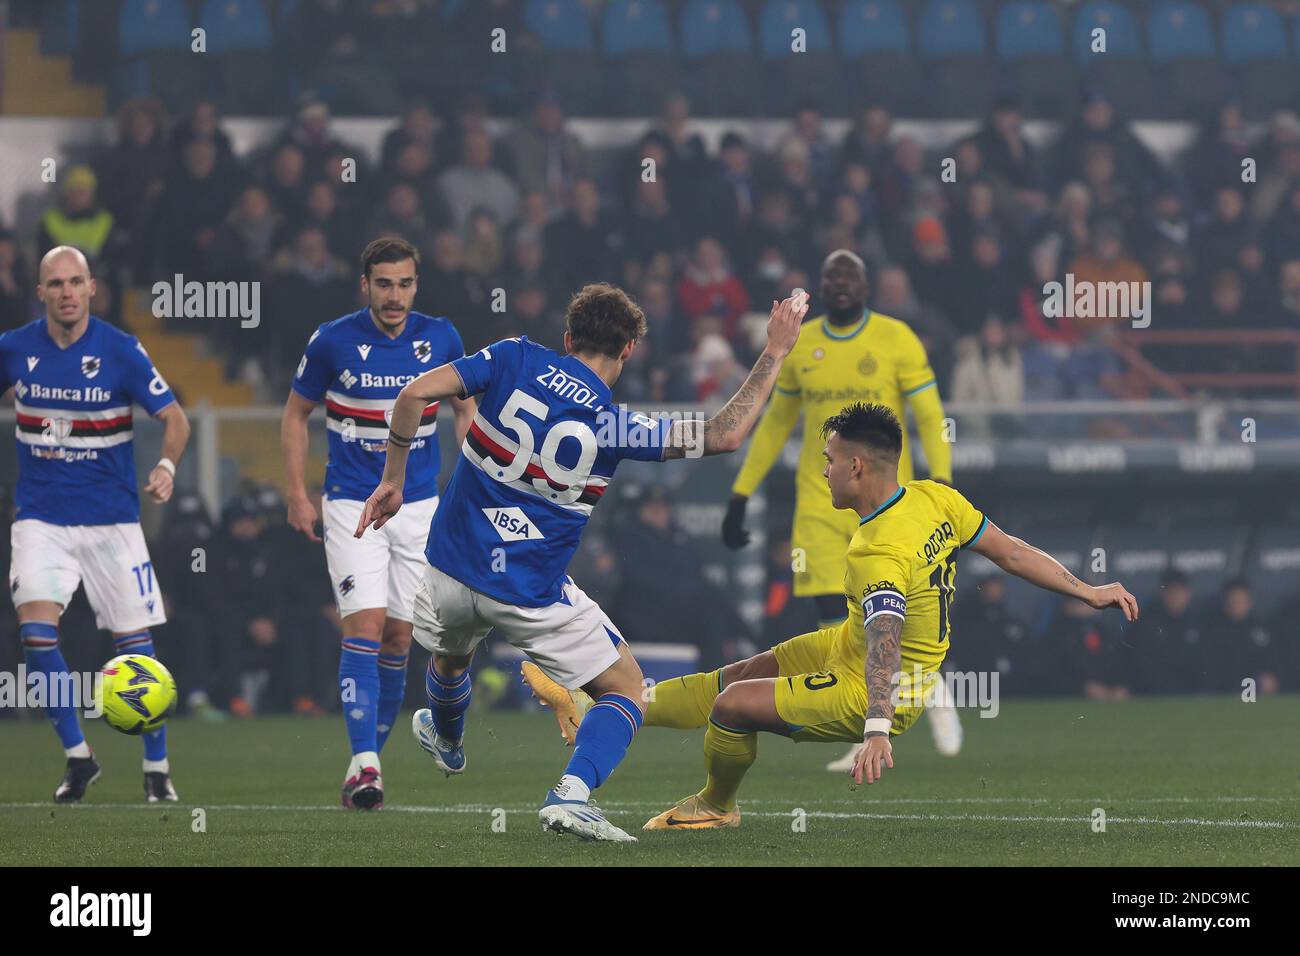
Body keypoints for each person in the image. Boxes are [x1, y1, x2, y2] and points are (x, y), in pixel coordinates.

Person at [355, 285, 807, 841]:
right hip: (529, 594)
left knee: (451, 658)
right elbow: (725, 433)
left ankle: (447, 738)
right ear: (629, 351)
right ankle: (571, 796)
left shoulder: (513, 356)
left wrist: (393, 481)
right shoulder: (614, 425)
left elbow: (415, 392)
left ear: (568, 338)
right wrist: (775, 352)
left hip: (448, 569)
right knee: (625, 688)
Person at [624, 403, 1136, 829]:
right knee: (736, 677)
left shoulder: (876, 550)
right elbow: (1012, 552)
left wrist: (876, 728)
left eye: (828, 459)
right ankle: (613, 710)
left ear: (856, 467)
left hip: (882, 688)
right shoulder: (936, 497)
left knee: (734, 705)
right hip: (849, 648)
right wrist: (1086, 590)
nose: (822, 469)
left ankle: (716, 806)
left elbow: (885, 636)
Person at [718, 249, 960, 770]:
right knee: (836, 615)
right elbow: (776, 423)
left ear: (866, 285)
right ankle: (866, 722)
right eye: (832, 277)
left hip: (887, 505)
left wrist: (942, 481)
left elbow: (930, 412)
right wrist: (742, 493)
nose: (841, 284)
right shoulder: (802, 347)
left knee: (892, 609)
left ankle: (929, 686)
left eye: (850, 275)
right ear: (821, 288)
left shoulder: (897, 338)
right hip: (821, 501)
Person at [280, 237, 475, 811]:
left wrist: (471, 454)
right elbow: (295, 414)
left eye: (405, 284)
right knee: (362, 628)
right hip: (351, 504)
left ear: (418, 285)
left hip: (419, 509)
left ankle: (364, 765)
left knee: (399, 638)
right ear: (364, 285)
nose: (395, 296)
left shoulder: (442, 337)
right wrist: (296, 492)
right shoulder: (332, 340)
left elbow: (465, 407)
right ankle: (368, 763)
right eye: (384, 284)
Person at [0, 246, 191, 803]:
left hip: (112, 524)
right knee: (36, 634)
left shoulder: (121, 350)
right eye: (55, 283)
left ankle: (157, 767)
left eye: (75, 282)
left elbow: (174, 418)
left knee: (136, 654)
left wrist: (165, 464)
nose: (65, 292)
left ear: (91, 288)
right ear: (40, 293)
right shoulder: (14, 350)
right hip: (40, 519)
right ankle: (78, 757)